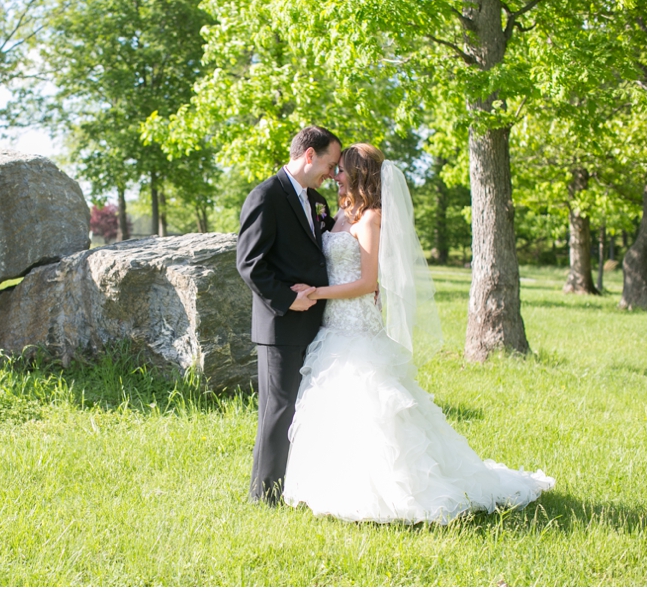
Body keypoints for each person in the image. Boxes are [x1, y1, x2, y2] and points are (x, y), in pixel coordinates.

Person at [282, 143, 555, 524]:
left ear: (359, 174)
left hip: (359, 325)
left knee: (375, 408)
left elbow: (366, 282)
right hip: (333, 327)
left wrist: (316, 294)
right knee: (337, 408)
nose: (334, 175)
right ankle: (335, 485)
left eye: (341, 170)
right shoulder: (341, 215)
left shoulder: (372, 219)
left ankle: (394, 491)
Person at [236, 125, 342, 504]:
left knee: (304, 408)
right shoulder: (266, 196)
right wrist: (286, 299)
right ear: (309, 155)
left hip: (316, 322)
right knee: (278, 410)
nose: (332, 174)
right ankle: (263, 496)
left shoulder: (316, 200)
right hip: (280, 323)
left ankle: (295, 486)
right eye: (330, 164)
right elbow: (250, 264)